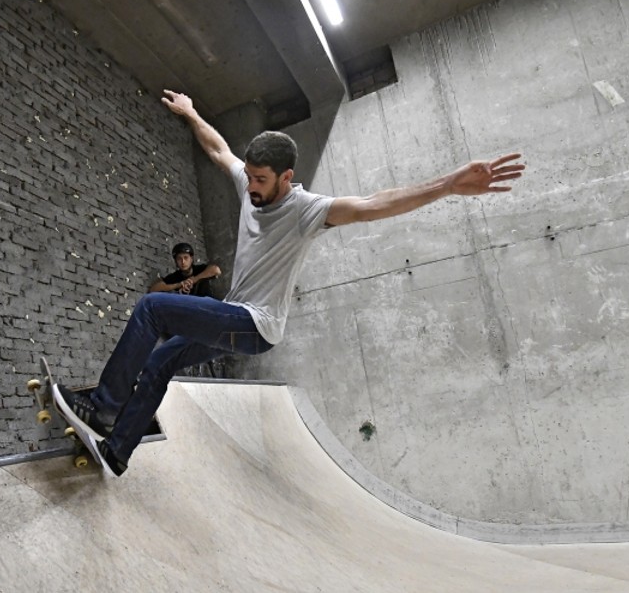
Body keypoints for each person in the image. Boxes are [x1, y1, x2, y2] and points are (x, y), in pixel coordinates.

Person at [61, 89, 524, 476]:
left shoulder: (308, 211)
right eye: (250, 177)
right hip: (235, 319)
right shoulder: (248, 181)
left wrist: (447, 185)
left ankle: (104, 406)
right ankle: (118, 451)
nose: (252, 188)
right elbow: (219, 149)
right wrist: (192, 112)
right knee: (162, 360)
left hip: (255, 326)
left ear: (287, 177)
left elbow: (373, 204)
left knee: (151, 308)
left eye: (261, 180)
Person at [148, 242, 221, 298]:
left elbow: (216, 270)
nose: (183, 262)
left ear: (191, 259)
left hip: (207, 305)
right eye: (179, 259)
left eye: (186, 258)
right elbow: (153, 289)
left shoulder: (199, 269)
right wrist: (179, 284)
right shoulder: (175, 277)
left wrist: (193, 280)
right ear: (176, 261)